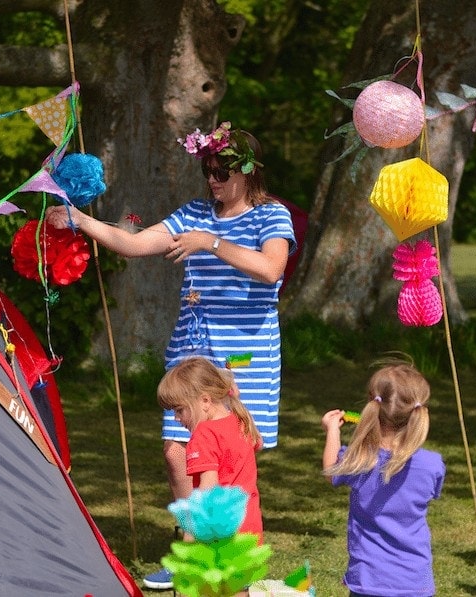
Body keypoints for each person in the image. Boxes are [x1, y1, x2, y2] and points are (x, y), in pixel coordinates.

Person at [44, 122, 295, 590]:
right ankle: (190, 553)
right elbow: (137, 244)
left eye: (222, 171)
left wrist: (211, 243)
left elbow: (271, 269)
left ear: (248, 171)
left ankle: (229, 555)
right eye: (208, 171)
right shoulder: (195, 212)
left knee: (231, 454)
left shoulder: (271, 216)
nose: (213, 181)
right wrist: (80, 220)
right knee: (177, 453)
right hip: (192, 351)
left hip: (244, 356)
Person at [321, 362, 446, 597]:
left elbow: (331, 470)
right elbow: (432, 492)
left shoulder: (359, 460)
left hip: (369, 579)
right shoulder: (432, 465)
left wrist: (332, 432)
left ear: (373, 405)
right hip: (414, 580)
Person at [156, 356, 263, 541]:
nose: (176, 418)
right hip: (250, 530)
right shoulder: (240, 420)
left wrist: (191, 532)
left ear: (205, 400)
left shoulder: (204, 435)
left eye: (179, 410)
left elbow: (208, 487)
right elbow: (257, 443)